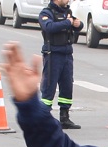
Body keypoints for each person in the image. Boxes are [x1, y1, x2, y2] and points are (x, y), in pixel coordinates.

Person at [38, 0, 83, 129]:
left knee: (67, 86)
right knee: (49, 87)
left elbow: (77, 26)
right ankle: (43, 118)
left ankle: (64, 118)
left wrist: (78, 24)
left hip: (67, 54)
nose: (68, 0)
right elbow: (49, 27)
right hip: (53, 54)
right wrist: (67, 22)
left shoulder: (67, 13)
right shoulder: (46, 13)